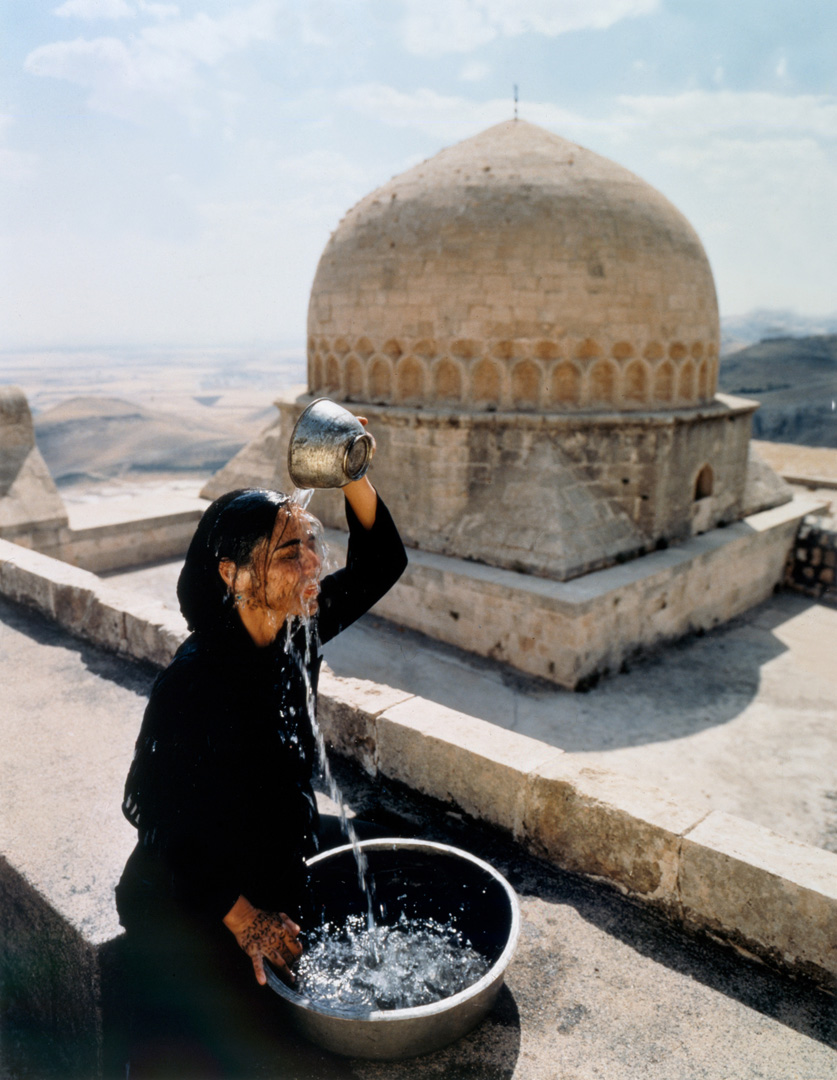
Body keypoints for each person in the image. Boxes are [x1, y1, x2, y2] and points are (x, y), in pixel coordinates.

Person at [111, 436, 407, 1076]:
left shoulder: (296, 626)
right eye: (286, 553)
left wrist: (352, 470)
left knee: (393, 852)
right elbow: (159, 822)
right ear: (233, 573)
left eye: (310, 548)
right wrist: (247, 922)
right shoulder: (192, 685)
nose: (310, 569)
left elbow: (382, 562)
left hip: (271, 844)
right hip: (192, 887)